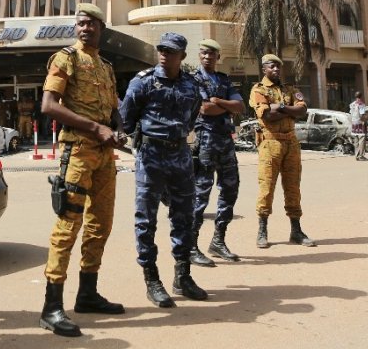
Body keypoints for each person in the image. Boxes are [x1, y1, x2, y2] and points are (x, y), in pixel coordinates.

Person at [38, 3, 122, 337]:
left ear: (102, 28)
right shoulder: (65, 59)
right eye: (81, 23)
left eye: (91, 24)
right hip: (77, 150)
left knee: (101, 223)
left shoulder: (105, 66)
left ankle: (87, 293)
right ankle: (51, 306)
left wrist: (117, 129)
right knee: (67, 226)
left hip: (103, 154)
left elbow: (113, 111)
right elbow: (49, 106)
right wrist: (94, 127)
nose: (85, 28)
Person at [120, 32, 207, 310]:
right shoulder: (143, 81)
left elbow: (193, 115)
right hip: (151, 156)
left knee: (184, 215)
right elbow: (127, 118)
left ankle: (182, 276)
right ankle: (152, 280)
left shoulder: (192, 85)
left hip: (180, 154)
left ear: (182, 55)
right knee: (146, 220)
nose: (164, 54)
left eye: (170, 51)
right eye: (161, 50)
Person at [249, 54, 315, 248]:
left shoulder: (290, 89)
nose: (276, 69)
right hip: (270, 144)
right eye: (272, 66)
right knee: (267, 188)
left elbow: (302, 110)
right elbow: (267, 115)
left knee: (293, 187)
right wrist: (289, 108)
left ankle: (296, 231)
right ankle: (262, 230)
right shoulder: (258, 90)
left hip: (291, 143)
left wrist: (282, 106)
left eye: (278, 66)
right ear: (264, 69)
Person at [190, 39, 246, 267]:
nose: (208, 57)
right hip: (205, 140)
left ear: (217, 57)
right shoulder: (194, 79)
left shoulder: (223, 79)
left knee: (231, 188)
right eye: (204, 53)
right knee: (201, 192)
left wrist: (218, 100)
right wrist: (225, 105)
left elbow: (241, 106)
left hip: (225, 140)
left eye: (212, 54)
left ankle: (218, 241)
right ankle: (191, 246)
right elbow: (205, 108)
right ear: (199, 55)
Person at [349, 91, 368, 160]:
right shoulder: (361, 104)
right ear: (361, 96)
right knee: (362, 140)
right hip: (361, 123)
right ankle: (361, 155)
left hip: (354, 124)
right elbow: (362, 115)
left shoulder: (352, 104)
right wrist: (366, 122)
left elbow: (350, 114)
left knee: (356, 140)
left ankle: (356, 155)